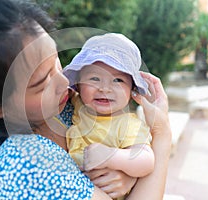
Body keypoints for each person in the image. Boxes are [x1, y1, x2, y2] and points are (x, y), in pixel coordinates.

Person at [0, 0, 172, 199]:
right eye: (41, 83)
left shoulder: (63, 105)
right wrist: (161, 134)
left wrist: (128, 172)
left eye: (56, 58)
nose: (64, 82)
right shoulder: (25, 171)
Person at [63, 34, 155, 189]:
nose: (105, 88)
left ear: (132, 90)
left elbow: (146, 160)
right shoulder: (79, 103)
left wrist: (111, 156)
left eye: (118, 80)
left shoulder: (128, 125)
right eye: (94, 78)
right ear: (78, 85)